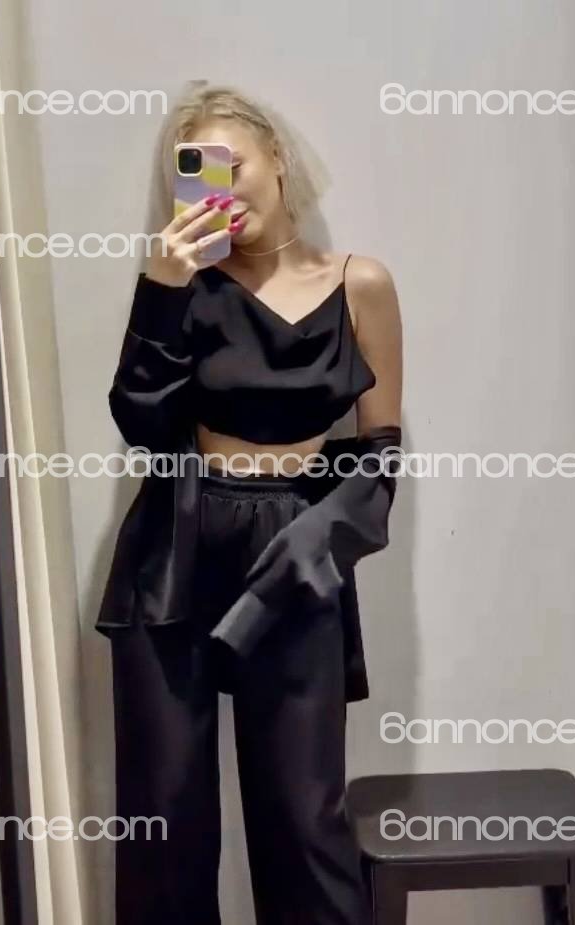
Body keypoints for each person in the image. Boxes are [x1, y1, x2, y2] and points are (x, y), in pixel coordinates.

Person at [96, 84, 403, 925]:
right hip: (176, 544)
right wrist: (162, 286)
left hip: (296, 548)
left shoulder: (359, 284)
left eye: (230, 162)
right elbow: (142, 425)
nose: (218, 185)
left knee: (303, 820)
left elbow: (379, 456)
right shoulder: (184, 287)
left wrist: (317, 543)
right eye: (194, 171)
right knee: (165, 819)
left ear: (277, 158)